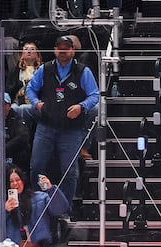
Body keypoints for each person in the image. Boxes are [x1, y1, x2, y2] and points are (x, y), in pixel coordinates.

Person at [26, 35, 98, 203]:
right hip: (46, 126)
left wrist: (81, 106)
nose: (63, 51)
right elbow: (30, 89)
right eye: (60, 48)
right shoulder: (45, 69)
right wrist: (36, 103)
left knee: (69, 172)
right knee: (36, 167)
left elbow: (94, 95)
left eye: (67, 48)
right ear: (54, 50)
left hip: (71, 129)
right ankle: (38, 205)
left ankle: (65, 208)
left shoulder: (83, 71)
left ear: (73, 51)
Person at [0, 166, 69, 247]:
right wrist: (4, 211)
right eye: (11, 181)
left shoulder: (39, 198)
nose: (15, 184)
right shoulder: (3, 203)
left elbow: (60, 209)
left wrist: (51, 189)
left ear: (23, 181)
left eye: (17, 180)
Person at [7, 41, 43, 109]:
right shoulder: (15, 71)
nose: (29, 51)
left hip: (36, 102)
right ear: (22, 54)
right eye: (26, 49)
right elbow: (9, 90)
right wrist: (19, 85)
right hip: (18, 101)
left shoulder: (42, 70)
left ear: (37, 54)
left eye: (32, 49)